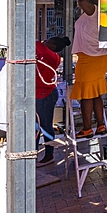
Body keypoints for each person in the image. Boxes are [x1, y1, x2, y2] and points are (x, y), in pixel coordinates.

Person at [73, 0, 107, 139]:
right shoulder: (95, 14)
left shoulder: (94, 11)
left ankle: (87, 128)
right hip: (98, 56)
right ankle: (100, 125)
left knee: (86, 94)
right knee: (95, 93)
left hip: (90, 57)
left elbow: (82, 0)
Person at [36, 36, 71, 167]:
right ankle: (34, 155)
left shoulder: (49, 54)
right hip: (42, 94)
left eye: (49, 41)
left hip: (45, 95)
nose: (45, 41)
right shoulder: (48, 54)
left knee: (45, 127)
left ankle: (49, 155)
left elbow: (35, 43)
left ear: (54, 46)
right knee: (36, 127)